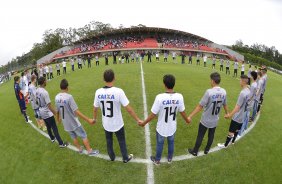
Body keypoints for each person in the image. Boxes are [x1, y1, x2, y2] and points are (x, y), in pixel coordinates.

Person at [139, 74, 190, 165]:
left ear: (164, 84)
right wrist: (187, 120)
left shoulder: (160, 97)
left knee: (160, 143)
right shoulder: (179, 96)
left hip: (162, 127)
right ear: (174, 84)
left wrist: (144, 123)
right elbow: (182, 112)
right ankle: (170, 158)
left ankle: (157, 160)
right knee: (171, 142)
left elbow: (153, 115)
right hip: (172, 126)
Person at [93, 69, 141, 163]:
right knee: (121, 140)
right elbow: (129, 109)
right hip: (117, 123)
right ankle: (125, 158)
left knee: (109, 140)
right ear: (114, 78)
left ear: (104, 79)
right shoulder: (118, 91)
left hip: (106, 123)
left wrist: (94, 118)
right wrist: (137, 119)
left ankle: (111, 157)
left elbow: (95, 108)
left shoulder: (98, 92)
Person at [187, 72, 228, 156]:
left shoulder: (209, 92)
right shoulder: (224, 92)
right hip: (215, 119)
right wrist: (227, 113)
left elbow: (200, 106)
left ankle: (195, 151)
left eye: (210, 80)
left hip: (206, 119)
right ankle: (207, 150)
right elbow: (225, 104)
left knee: (200, 135)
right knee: (211, 135)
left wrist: (190, 116)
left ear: (212, 81)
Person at [55, 79, 99, 156]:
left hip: (65, 123)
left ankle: (79, 149)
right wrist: (88, 119)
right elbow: (76, 111)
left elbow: (57, 110)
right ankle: (89, 151)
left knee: (73, 136)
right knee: (83, 135)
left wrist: (58, 119)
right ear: (67, 87)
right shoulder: (69, 97)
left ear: (60, 87)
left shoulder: (56, 97)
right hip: (73, 122)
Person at [218, 75, 250, 148]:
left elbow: (237, 107)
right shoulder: (249, 90)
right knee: (237, 130)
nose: (239, 82)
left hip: (238, 116)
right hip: (243, 116)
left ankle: (225, 145)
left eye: (240, 80)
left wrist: (230, 115)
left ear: (243, 81)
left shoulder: (243, 93)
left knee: (231, 131)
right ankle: (233, 142)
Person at [36, 77, 68, 148]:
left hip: (41, 111)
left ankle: (52, 138)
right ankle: (61, 143)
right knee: (54, 127)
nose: (46, 81)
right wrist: (55, 113)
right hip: (47, 112)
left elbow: (36, 101)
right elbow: (49, 105)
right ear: (44, 82)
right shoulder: (44, 92)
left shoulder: (37, 90)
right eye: (46, 80)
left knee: (48, 126)